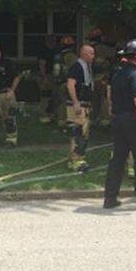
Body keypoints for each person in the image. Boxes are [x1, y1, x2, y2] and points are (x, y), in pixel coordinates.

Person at [104, 39, 136, 210]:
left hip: (118, 120)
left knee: (117, 161)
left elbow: (111, 95)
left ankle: (110, 199)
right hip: (135, 121)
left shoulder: (118, 74)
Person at [64, 43, 97, 172]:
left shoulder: (87, 67)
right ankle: (76, 160)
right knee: (78, 133)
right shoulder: (76, 67)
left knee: (83, 132)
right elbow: (70, 85)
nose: (93, 56)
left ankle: (76, 159)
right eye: (91, 53)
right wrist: (76, 102)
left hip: (85, 104)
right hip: (78, 105)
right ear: (84, 54)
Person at [52, 35, 79, 127]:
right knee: (69, 101)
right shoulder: (72, 56)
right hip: (68, 82)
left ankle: (60, 119)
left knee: (60, 101)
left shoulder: (58, 56)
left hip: (59, 82)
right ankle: (68, 120)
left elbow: (56, 71)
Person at [35, 34, 59, 124]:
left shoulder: (55, 50)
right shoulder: (43, 50)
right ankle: (43, 115)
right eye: (52, 40)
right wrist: (44, 77)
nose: (54, 42)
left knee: (53, 96)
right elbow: (42, 64)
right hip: (45, 76)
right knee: (45, 96)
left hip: (52, 76)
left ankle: (51, 114)